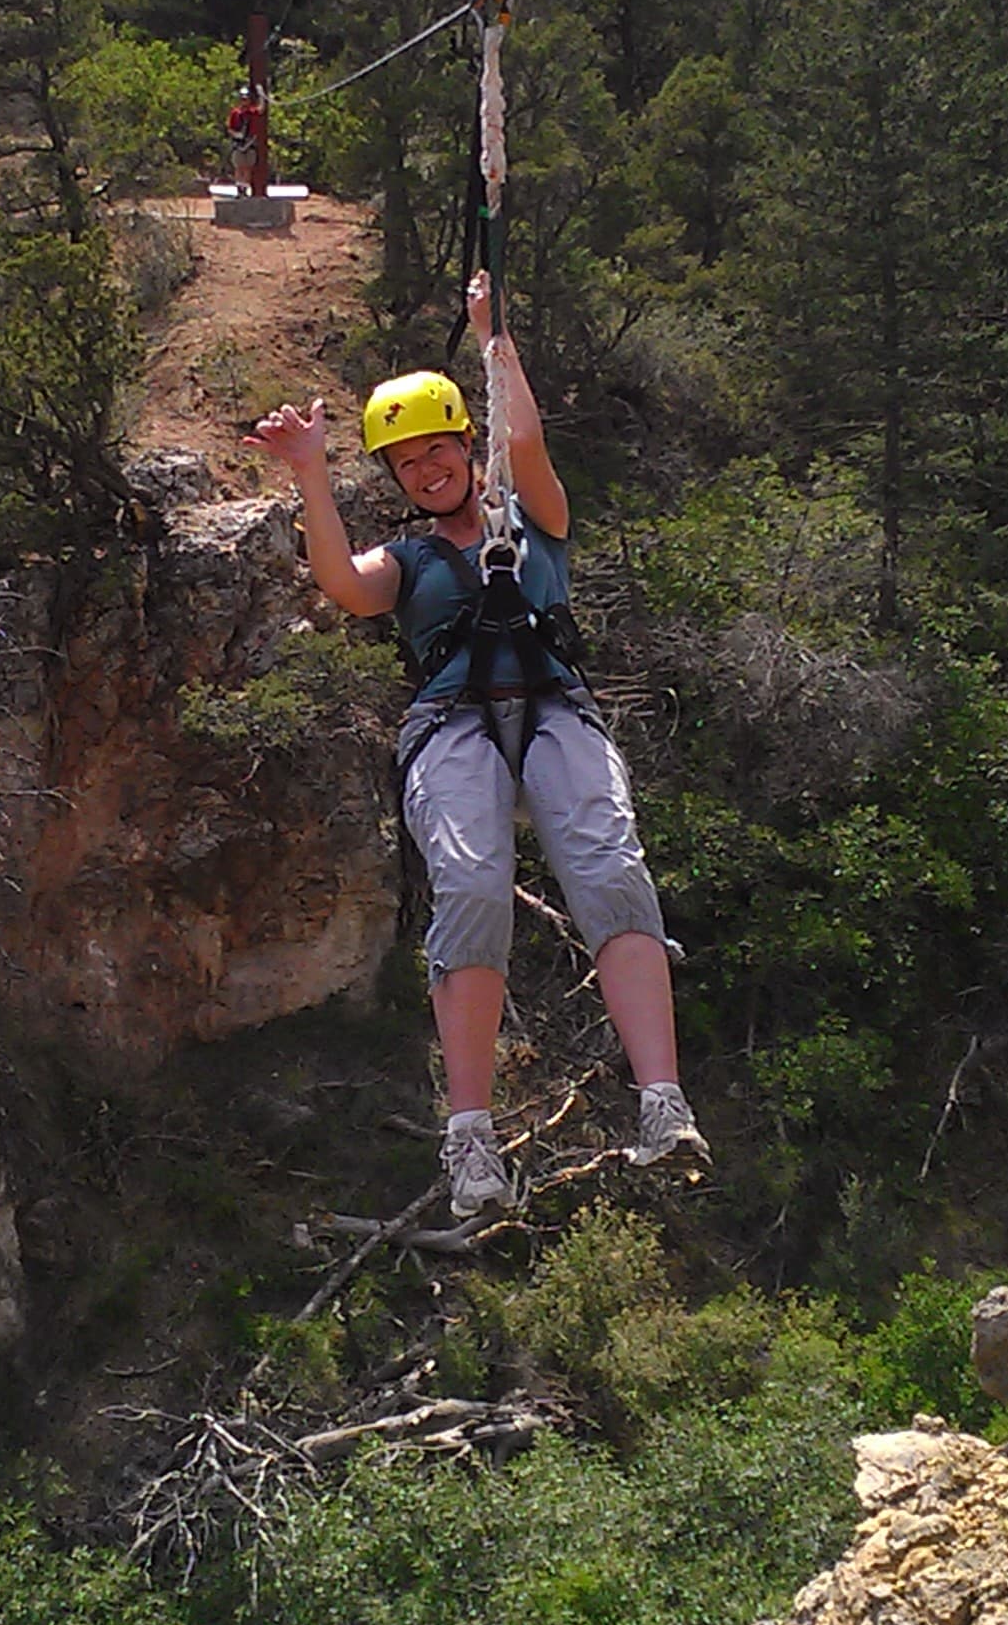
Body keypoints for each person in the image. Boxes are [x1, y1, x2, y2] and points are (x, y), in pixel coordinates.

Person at [247, 270, 710, 1220]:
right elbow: (339, 582)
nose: (425, 471)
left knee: (609, 867)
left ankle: (663, 1103)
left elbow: (528, 439)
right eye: (405, 463)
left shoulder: (534, 517)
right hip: (452, 723)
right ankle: (471, 1138)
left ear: (466, 442)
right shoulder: (409, 559)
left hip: (555, 708)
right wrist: (309, 471)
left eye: (437, 450)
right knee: (470, 888)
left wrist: (494, 335)